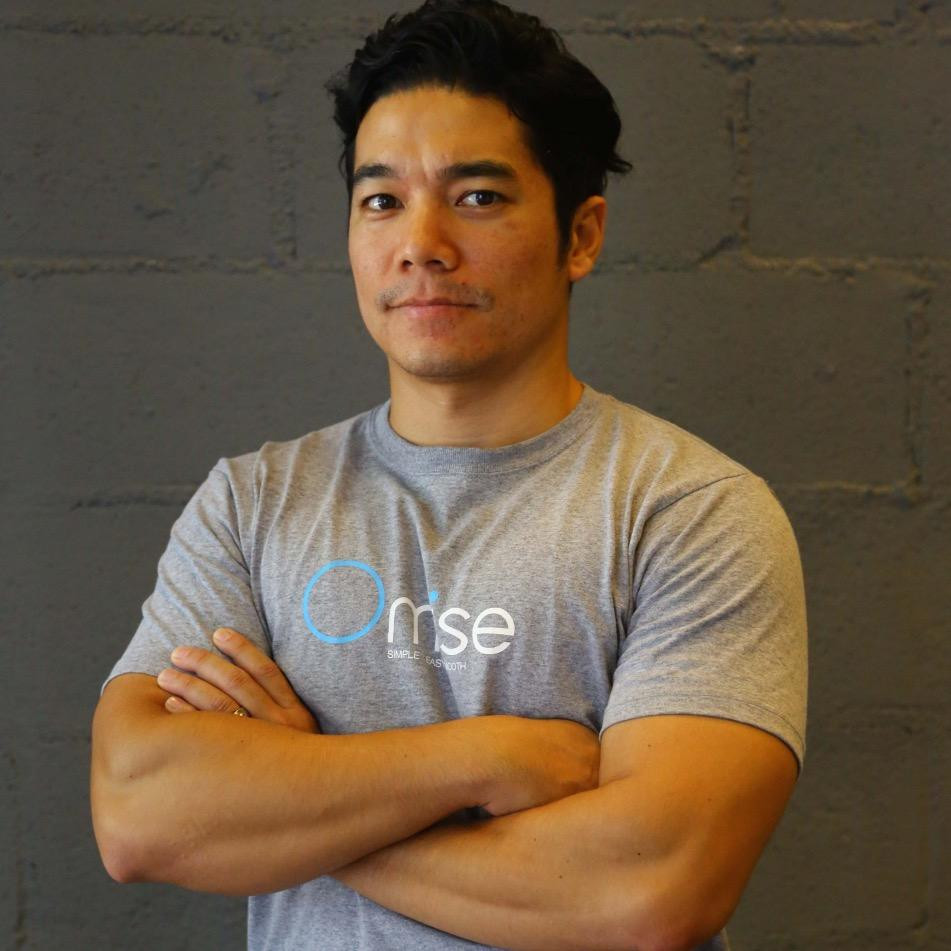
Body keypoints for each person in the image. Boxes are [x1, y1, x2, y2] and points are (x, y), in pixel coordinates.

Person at [90, 2, 808, 949]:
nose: (419, 242)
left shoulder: (689, 513)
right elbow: (139, 812)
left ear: (581, 235)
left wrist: (296, 797)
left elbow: (650, 888)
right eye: (381, 200)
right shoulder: (252, 503)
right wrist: (478, 759)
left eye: (476, 197)